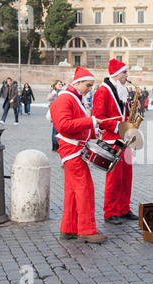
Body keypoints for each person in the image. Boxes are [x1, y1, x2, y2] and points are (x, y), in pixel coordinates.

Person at [50, 66, 107, 244]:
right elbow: (64, 126)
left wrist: (95, 132)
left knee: (73, 191)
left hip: (74, 149)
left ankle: (69, 228)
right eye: (88, 85)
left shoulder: (75, 98)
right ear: (78, 82)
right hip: (72, 151)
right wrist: (91, 121)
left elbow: (77, 127)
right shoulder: (66, 99)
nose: (90, 89)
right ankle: (86, 230)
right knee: (85, 190)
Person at [92, 59, 138, 225]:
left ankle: (123, 209)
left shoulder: (121, 89)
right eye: (125, 73)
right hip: (112, 140)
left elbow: (122, 113)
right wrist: (119, 125)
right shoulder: (102, 92)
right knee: (114, 178)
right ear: (116, 74)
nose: (127, 75)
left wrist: (133, 108)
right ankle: (110, 212)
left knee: (126, 177)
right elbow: (98, 118)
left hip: (124, 140)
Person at [47, 80, 63, 151]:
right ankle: (56, 146)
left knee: (55, 130)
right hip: (56, 113)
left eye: (61, 84)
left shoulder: (57, 92)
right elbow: (49, 98)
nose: (60, 86)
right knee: (56, 130)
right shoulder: (55, 92)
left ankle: (55, 146)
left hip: (56, 112)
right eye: (59, 84)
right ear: (55, 85)